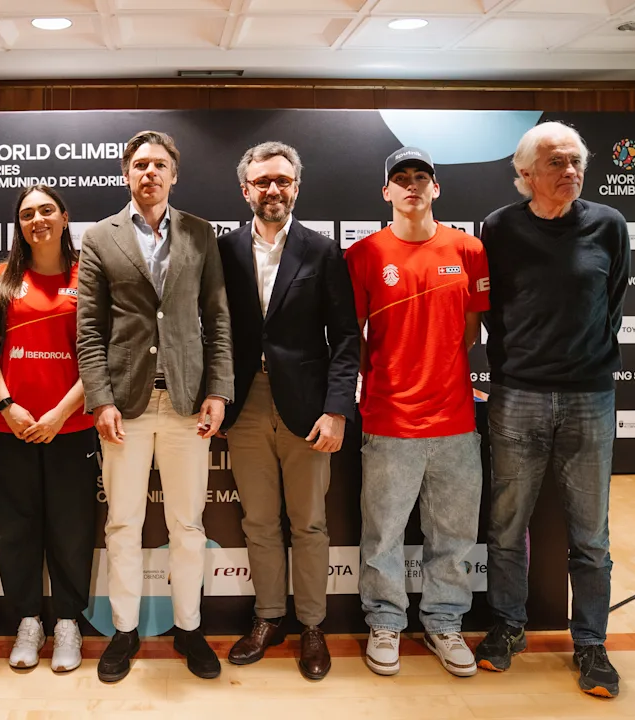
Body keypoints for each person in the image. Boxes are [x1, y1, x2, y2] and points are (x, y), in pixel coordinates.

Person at [475, 121, 630, 699]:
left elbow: (613, 303)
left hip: (591, 396)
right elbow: (491, 308)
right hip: (518, 395)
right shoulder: (499, 228)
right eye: (556, 162)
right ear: (526, 174)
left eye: (575, 161)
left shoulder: (609, 225)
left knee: (591, 534)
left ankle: (591, 642)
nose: (570, 171)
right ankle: (507, 626)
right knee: (506, 525)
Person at [77, 130, 234, 683]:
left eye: (159, 165)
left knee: (187, 525)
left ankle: (189, 628)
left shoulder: (199, 232)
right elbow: (89, 330)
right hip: (126, 405)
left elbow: (217, 317)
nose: (150, 173)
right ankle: (123, 631)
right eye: (140, 164)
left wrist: (218, 390)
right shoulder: (100, 237)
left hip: (188, 403)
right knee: (123, 524)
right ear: (126, 174)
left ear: (174, 175)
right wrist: (100, 399)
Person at [216, 141, 360, 680]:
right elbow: (212, 332)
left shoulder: (322, 251)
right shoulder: (223, 251)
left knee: (310, 523)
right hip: (245, 405)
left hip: (308, 408)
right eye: (262, 182)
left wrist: (337, 409)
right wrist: (216, 397)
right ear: (245, 190)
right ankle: (269, 617)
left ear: (296, 187)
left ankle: (313, 625)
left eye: (282, 180)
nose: (272, 189)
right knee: (258, 521)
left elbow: (346, 338)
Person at [344, 146, 489, 679]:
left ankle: (445, 622)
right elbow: (355, 338)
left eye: (421, 177)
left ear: (435, 188)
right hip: (389, 419)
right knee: (382, 535)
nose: (412, 185)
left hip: (455, 421)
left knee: (453, 535)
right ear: (386, 191)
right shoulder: (363, 255)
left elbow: (470, 331)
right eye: (401, 178)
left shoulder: (468, 249)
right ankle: (385, 622)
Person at [0, 185, 97, 673]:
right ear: (19, 224)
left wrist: (60, 414)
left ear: (65, 217)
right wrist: (7, 406)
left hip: (70, 426)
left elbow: (99, 355)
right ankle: (28, 621)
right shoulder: (0, 278)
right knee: (14, 529)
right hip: (10, 427)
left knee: (71, 529)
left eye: (47, 210)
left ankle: (67, 622)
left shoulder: (87, 277)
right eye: (27, 213)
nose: (37, 220)